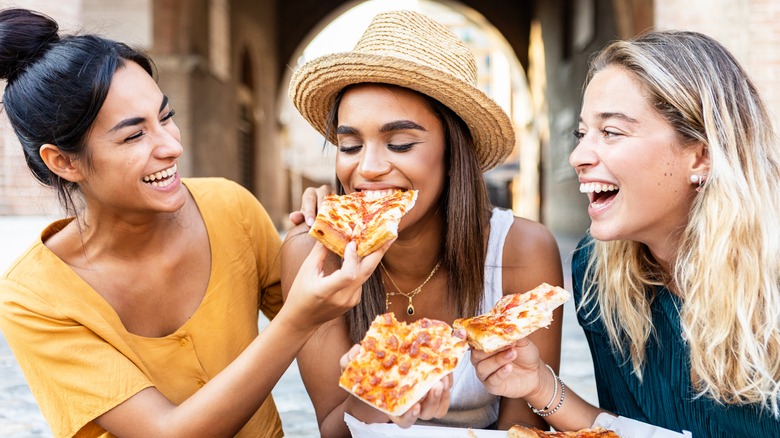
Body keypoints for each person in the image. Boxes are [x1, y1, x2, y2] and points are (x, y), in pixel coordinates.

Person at [0, 8, 389, 438]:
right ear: (64, 161)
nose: (170, 146)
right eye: (134, 135)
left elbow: (335, 325)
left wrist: (333, 228)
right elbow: (167, 432)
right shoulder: (33, 297)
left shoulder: (230, 208)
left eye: (165, 117)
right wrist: (295, 321)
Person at [471, 30, 780, 437]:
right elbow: (637, 432)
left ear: (702, 155)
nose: (578, 156)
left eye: (611, 132)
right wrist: (539, 386)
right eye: (582, 134)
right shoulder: (598, 271)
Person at [283, 9, 564, 436]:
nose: (369, 168)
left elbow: (524, 428)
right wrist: (380, 392)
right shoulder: (313, 258)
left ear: (454, 155)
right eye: (350, 144)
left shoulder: (523, 250)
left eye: (399, 143)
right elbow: (332, 429)